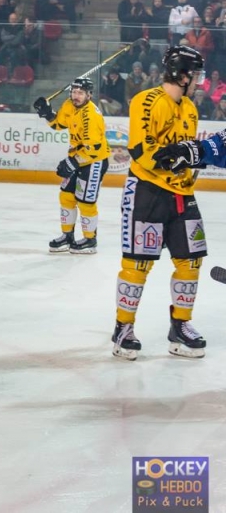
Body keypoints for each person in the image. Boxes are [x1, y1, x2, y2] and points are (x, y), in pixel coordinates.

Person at [111, 45, 207, 361]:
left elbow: (190, 150)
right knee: (138, 264)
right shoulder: (147, 100)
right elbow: (140, 148)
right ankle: (123, 328)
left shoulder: (190, 109)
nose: (200, 81)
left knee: (191, 260)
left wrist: (189, 166)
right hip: (147, 192)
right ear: (182, 75)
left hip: (182, 195)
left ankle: (180, 325)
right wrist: (174, 162)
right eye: (197, 75)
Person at [33, 78, 110, 254]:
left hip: (94, 161)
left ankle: (90, 240)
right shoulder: (69, 104)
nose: (76, 96)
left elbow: (94, 149)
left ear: (89, 95)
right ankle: (67, 236)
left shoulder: (92, 116)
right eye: (74, 92)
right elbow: (59, 124)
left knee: (85, 202)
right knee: (66, 196)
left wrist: (73, 162)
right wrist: (47, 113)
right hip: (77, 157)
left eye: (80, 93)